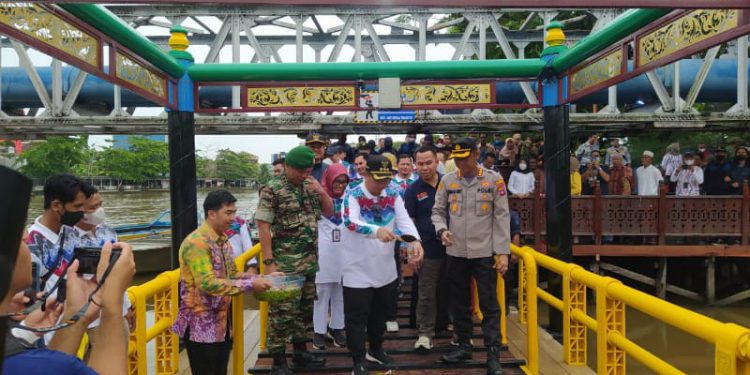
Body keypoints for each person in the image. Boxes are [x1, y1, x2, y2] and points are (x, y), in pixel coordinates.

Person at [1, 166, 134, 375]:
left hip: (61, 318)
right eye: (19, 237)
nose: (26, 236)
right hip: (48, 323)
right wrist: (113, 308)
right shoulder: (36, 241)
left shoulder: (70, 232)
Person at [172, 190, 272, 375]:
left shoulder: (223, 240)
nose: (233, 218)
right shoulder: (197, 243)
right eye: (228, 213)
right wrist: (250, 286)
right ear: (211, 213)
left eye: (234, 212)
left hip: (221, 322)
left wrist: (261, 278)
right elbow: (207, 284)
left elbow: (232, 274)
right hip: (199, 324)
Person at [431, 137, 510, 375]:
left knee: (489, 304)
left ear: (476, 155)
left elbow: (502, 216)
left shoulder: (493, 180)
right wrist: (442, 230)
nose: (461, 164)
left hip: (484, 252)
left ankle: (493, 353)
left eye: (465, 158)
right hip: (456, 251)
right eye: (457, 159)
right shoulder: (447, 180)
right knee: (459, 303)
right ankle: (463, 345)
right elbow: (437, 211)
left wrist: (503, 252)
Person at [341, 155, 423, 375]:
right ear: (365, 173)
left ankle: (376, 349)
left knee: (380, 314)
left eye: (386, 179)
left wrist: (414, 241)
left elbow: (404, 220)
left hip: (385, 267)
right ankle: (358, 359)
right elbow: (350, 222)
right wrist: (375, 231)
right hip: (357, 268)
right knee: (356, 317)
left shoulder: (393, 193)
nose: (382, 185)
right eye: (378, 180)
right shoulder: (353, 194)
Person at [255, 146, 334, 374]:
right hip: (285, 265)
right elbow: (263, 226)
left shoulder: (310, 186)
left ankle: (301, 352)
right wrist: (269, 264)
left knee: (303, 310)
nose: (304, 175)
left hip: (309, 262)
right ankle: (278, 361)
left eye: (308, 170)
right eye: (300, 170)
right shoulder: (272, 189)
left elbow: (330, 212)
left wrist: (321, 191)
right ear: (288, 166)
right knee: (281, 314)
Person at [405, 146, 448, 352]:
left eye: (428, 163)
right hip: (427, 249)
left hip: (454, 247)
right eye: (420, 164)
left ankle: (460, 333)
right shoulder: (413, 190)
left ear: (436, 162)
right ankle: (424, 334)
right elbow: (409, 221)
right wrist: (412, 247)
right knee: (426, 293)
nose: (424, 167)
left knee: (456, 291)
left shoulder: (449, 183)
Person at [312, 165, 349, 350]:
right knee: (321, 295)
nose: (340, 185)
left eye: (344, 181)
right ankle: (319, 331)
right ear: (329, 179)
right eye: (337, 181)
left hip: (344, 254)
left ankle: (337, 328)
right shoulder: (318, 198)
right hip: (323, 254)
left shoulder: (350, 199)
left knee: (340, 294)